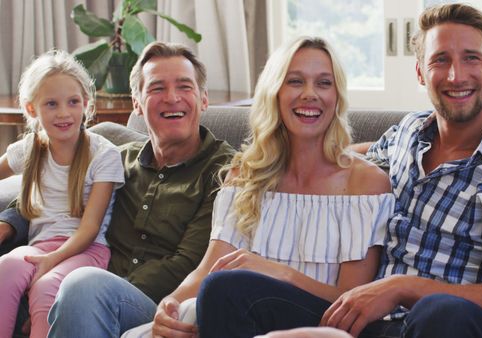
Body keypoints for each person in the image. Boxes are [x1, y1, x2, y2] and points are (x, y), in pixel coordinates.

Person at [239, 4, 482, 338]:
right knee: (231, 289)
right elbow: (352, 156)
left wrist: (401, 288)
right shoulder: (409, 133)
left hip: (439, 327)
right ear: (421, 72)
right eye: (440, 60)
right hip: (361, 323)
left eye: (471, 58)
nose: (456, 75)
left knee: (441, 312)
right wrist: (281, 160)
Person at [121, 36, 394, 338]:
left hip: (322, 323)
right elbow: (209, 269)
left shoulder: (365, 183)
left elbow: (352, 300)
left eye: (324, 83)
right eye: (294, 81)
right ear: (274, 92)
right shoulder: (244, 175)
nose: (310, 94)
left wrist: (278, 272)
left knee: (225, 289)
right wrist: (170, 302)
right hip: (239, 318)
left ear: (337, 96)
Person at [0, 41, 235, 337]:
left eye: (184, 87)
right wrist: (9, 223)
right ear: (136, 102)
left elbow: (189, 262)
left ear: (203, 99)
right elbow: (54, 194)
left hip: (157, 306)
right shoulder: (117, 159)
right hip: (82, 291)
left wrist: (82, 295)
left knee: (82, 284)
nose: (172, 98)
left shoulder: (225, 171)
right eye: (157, 88)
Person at [0, 50, 125, 338]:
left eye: (73, 102)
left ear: (86, 104)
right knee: (6, 266)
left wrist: (53, 259)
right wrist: (45, 257)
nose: (64, 113)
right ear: (32, 109)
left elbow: (91, 228)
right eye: (51, 104)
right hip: (40, 245)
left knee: (46, 286)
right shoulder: (30, 149)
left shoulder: (103, 154)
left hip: (86, 250)